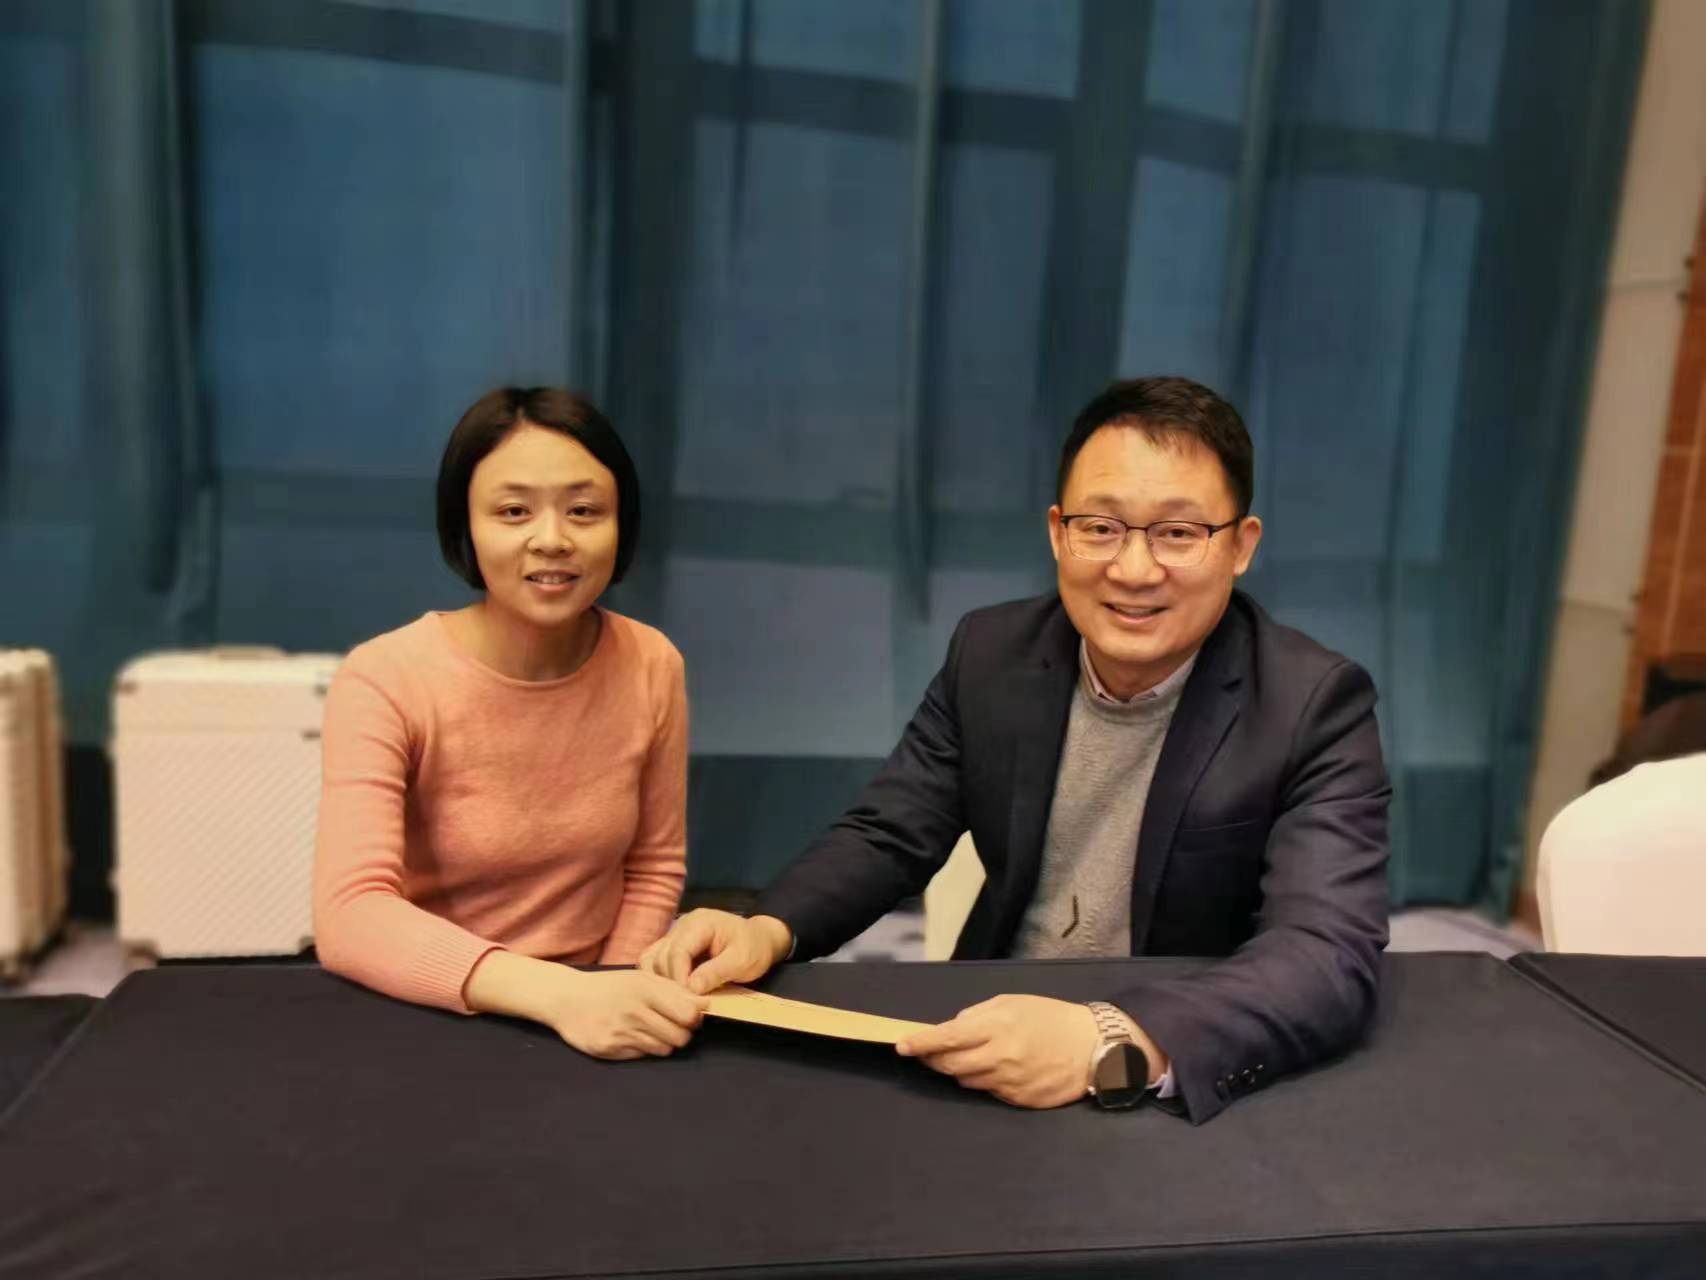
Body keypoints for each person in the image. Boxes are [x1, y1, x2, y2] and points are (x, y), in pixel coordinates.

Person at [641, 376, 1391, 1121]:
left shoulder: (1313, 703)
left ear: (1241, 546)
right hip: (991, 1028)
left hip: (1170, 1053)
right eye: (1101, 527)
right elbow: (891, 832)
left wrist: (1109, 1039)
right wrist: (766, 929)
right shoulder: (992, 653)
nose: (1133, 570)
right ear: (1059, 532)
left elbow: (1324, 951)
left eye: (1178, 533)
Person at [314, 386, 705, 1060]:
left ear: (621, 524)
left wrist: (611, 993)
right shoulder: (385, 676)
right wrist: (556, 998)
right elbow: (351, 912)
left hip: (597, 1008)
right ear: (465, 526)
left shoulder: (652, 663)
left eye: (584, 511)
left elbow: (652, 867)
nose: (552, 540)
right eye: (514, 511)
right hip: (436, 1008)